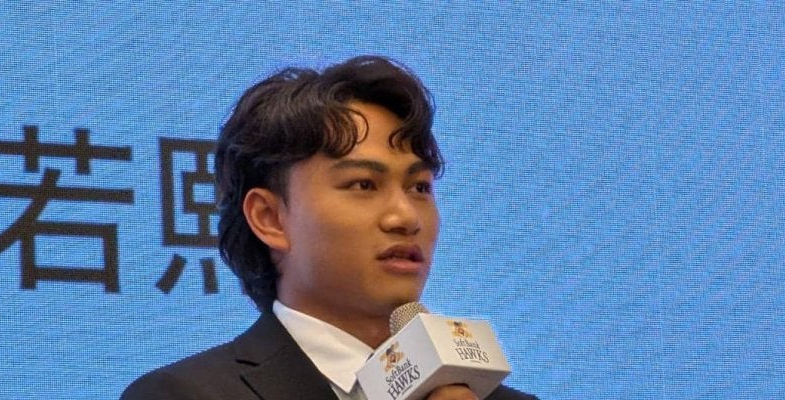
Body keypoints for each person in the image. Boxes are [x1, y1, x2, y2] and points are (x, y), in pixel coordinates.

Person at [121, 56, 535, 400]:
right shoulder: (184, 394)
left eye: (419, 187)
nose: (406, 217)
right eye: (363, 185)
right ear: (269, 218)